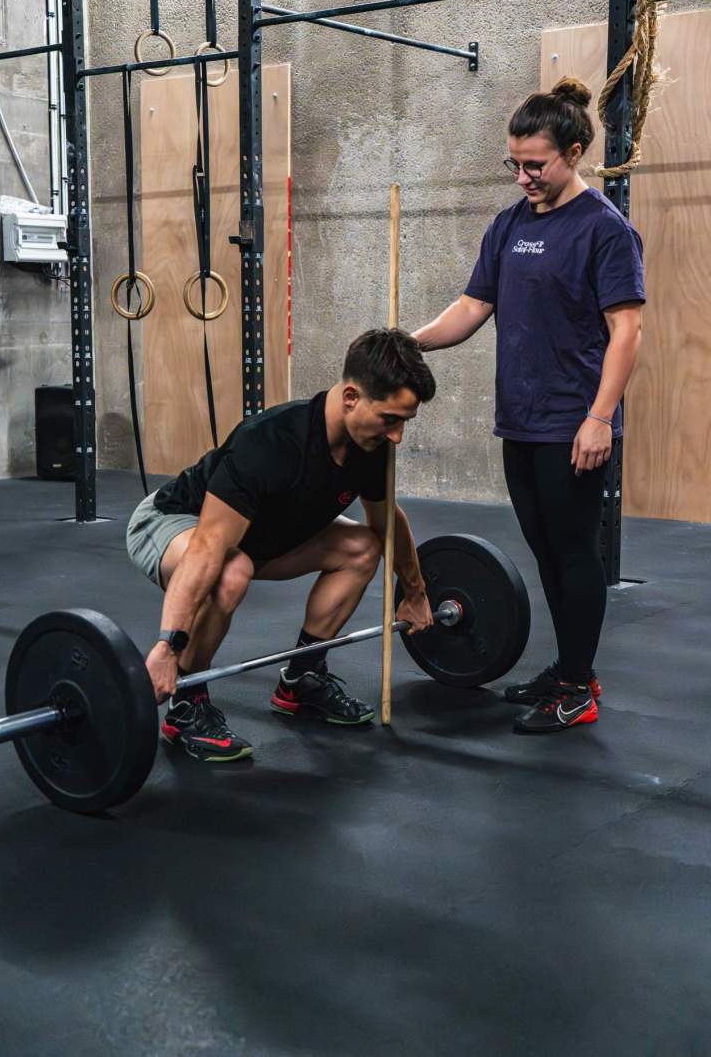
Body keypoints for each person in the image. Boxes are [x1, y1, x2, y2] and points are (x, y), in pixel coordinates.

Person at [413, 77, 645, 734]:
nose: (523, 177)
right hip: (521, 418)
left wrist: (600, 417)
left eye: (535, 164)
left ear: (573, 151)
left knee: (574, 552)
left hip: (574, 423)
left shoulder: (604, 229)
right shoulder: (510, 224)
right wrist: (408, 341)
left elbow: (627, 330)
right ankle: (569, 668)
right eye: (514, 164)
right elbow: (471, 307)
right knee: (546, 549)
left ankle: (578, 685)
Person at [126, 328, 436, 761]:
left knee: (363, 546)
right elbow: (207, 549)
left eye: (405, 421)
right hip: (176, 522)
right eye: (390, 419)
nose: (398, 436)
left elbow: (388, 524)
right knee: (231, 571)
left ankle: (302, 679)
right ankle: (186, 702)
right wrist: (167, 647)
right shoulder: (269, 443)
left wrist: (416, 594)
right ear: (351, 397)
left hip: (259, 535)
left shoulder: (370, 446)